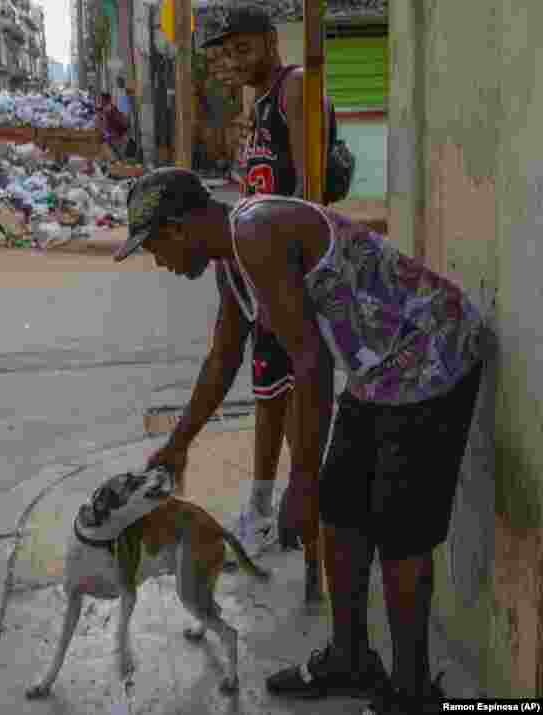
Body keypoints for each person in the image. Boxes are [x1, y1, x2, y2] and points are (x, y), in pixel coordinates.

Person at [118, 167, 490, 715]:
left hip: (432, 355)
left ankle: (412, 694)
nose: (160, 262)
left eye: (154, 247)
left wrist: (301, 480)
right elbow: (223, 360)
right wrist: (179, 443)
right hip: (377, 373)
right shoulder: (233, 264)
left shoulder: (256, 232)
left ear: (179, 227)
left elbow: (310, 362)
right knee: (342, 511)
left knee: (399, 529)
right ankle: (350, 656)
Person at [199, 3, 333, 558]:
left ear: (271, 41)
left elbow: (309, 188)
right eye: (226, 50)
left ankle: (285, 505)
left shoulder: (294, 88)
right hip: (257, 269)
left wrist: (298, 271)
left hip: (285, 269)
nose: (234, 58)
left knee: (294, 385)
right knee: (266, 387)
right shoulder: (255, 103)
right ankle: (260, 505)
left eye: (243, 47)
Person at [95, 92, 129, 159]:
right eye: (99, 99)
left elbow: (113, 123)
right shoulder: (109, 109)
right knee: (116, 158)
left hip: (115, 138)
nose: (99, 101)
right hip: (113, 138)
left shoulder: (109, 109)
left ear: (105, 100)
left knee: (117, 158)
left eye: (100, 99)